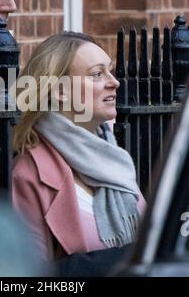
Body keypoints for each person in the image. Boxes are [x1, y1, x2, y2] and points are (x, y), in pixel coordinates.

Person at [12, 32, 146, 267]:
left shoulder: (114, 157)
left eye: (110, 70)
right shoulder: (29, 173)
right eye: (97, 74)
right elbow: (30, 276)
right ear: (59, 91)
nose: (114, 81)